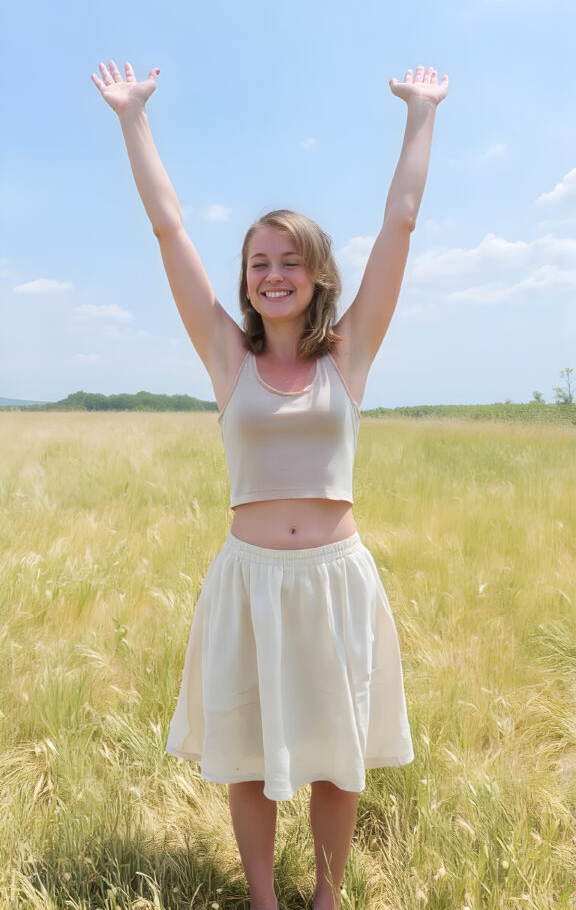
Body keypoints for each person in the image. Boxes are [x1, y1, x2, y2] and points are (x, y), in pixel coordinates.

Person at [91, 59, 449, 910]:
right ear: (247, 278)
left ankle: (327, 897)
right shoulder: (229, 360)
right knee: (248, 754)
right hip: (248, 582)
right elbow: (169, 231)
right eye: (258, 262)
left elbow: (400, 224)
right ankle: (263, 899)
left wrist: (421, 114)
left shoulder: (348, 355)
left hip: (336, 583)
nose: (272, 273)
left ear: (317, 275)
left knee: (338, 751)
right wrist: (132, 117)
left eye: (290, 260)